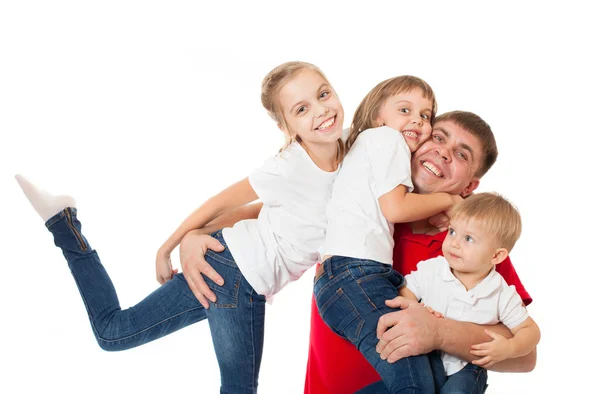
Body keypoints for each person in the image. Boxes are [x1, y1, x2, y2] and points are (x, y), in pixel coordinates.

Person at [15, 60, 347, 394]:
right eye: (302, 109)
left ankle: (63, 224)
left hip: (225, 265)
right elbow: (222, 201)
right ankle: (63, 226)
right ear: (287, 126)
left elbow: (263, 212)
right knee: (237, 388)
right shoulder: (288, 167)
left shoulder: (356, 152)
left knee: (113, 332)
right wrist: (173, 243)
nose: (321, 110)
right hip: (234, 277)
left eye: (324, 94)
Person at [304, 110, 535, 394]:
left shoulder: (473, 247)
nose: (444, 153)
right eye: (438, 137)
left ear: (470, 186)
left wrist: (438, 333)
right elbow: (274, 211)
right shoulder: (357, 209)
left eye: (462, 155)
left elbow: (524, 356)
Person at [313, 76, 464, 393]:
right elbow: (396, 208)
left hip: (359, 275)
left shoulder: (363, 149)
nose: (417, 121)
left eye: (425, 115)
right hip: (354, 273)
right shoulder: (386, 139)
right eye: (405, 109)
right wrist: (451, 200)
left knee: (430, 371)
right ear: (378, 116)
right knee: (414, 379)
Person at [397, 192, 541, 393]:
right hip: (428, 358)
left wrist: (510, 348)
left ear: (496, 255)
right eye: (452, 232)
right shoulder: (433, 269)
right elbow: (405, 291)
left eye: (468, 239)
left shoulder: (501, 293)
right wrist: (416, 309)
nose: (454, 243)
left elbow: (530, 331)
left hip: (466, 369)